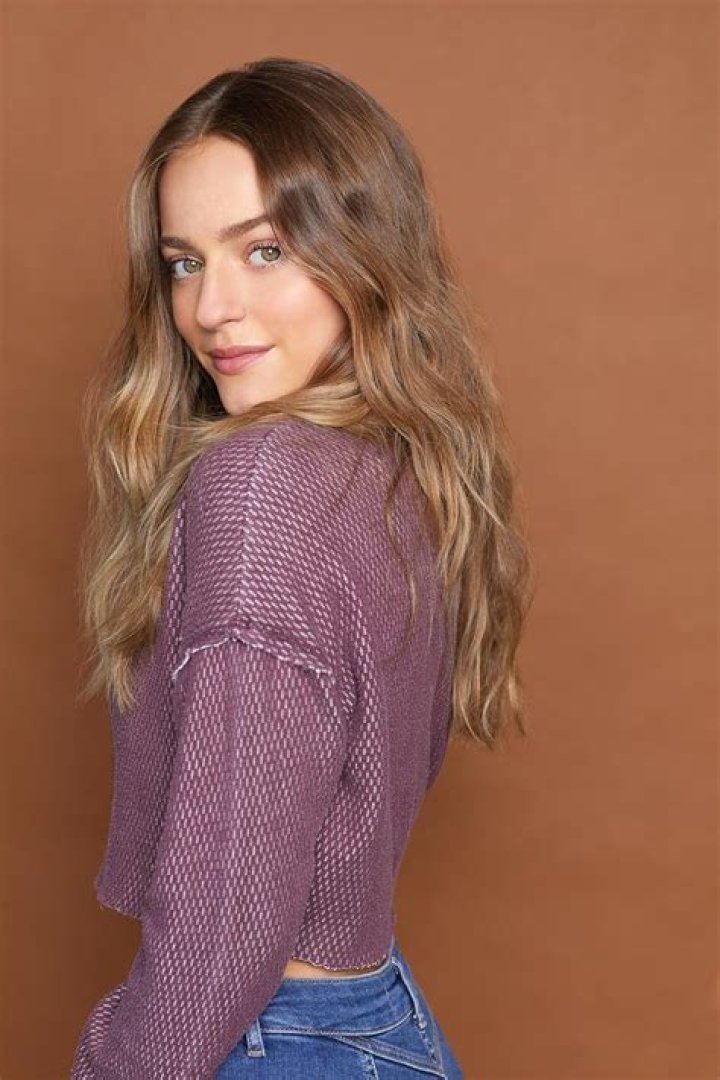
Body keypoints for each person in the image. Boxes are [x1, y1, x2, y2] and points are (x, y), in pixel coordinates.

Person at [70, 57, 533, 1079]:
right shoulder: (394, 469)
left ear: (363, 252)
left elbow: (227, 918)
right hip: (379, 1023)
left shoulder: (264, 485)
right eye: (184, 262)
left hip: (276, 1040)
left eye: (266, 249)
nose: (212, 309)